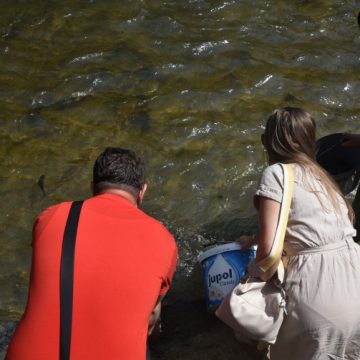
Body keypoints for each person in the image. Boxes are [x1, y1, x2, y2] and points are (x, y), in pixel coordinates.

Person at [6, 147, 178, 360]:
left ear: (92, 187)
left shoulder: (53, 216)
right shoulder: (164, 239)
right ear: (142, 192)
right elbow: (151, 314)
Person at [240, 108, 360, 359]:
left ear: (269, 143)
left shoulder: (276, 173)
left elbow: (269, 253)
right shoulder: (323, 177)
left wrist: (247, 281)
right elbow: (310, 229)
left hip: (318, 299)